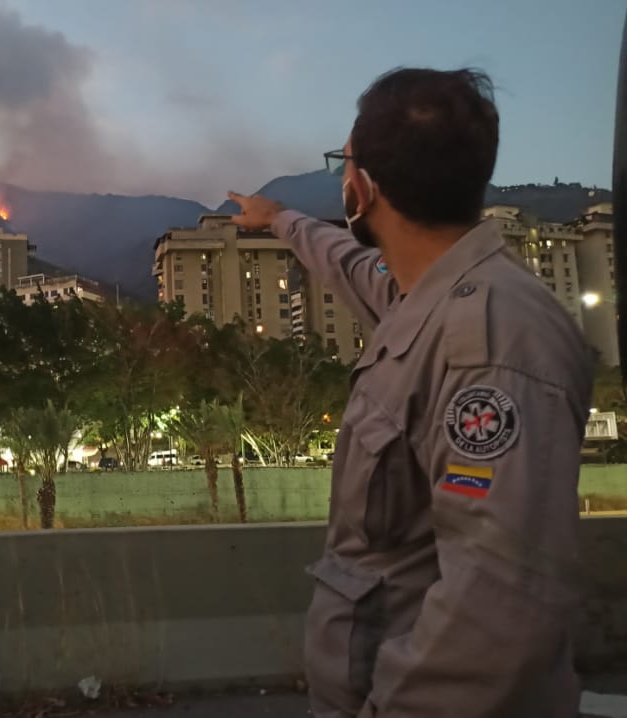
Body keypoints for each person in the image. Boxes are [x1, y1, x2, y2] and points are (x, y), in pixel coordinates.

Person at [230, 68, 594, 717]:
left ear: (360, 189)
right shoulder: (423, 292)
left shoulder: (493, 339)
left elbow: (497, 613)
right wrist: (278, 218)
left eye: (344, 164)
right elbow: (344, 261)